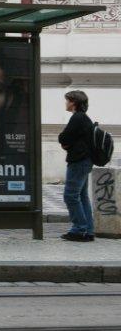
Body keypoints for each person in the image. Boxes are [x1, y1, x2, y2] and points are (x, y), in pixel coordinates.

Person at [59, 90, 95, 242]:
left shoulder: (77, 118)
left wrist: (65, 143)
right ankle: (88, 230)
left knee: (70, 196)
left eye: (67, 100)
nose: (66, 103)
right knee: (82, 196)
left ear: (73, 102)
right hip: (85, 161)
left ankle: (79, 229)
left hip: (78, 162)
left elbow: (64, 137)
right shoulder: (84, 118)